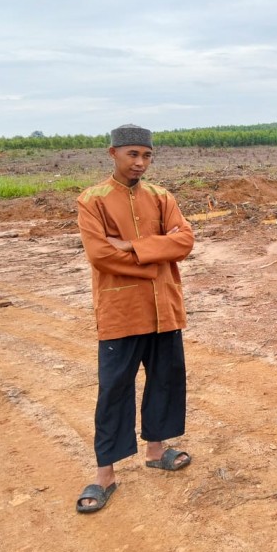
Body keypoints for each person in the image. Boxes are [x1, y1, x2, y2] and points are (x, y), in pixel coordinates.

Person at [75, 123, 195, 514]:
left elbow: (186, 240)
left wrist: (133, 246)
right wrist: (156, 259)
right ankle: (105, 473)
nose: (140, 162)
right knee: (114, 389)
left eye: (146, 155)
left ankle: (156, 451)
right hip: (120, 311)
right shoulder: (92, 201)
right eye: (133, 154)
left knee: (165, 379)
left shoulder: (161, 197)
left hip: (164, 308)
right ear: (113, 153)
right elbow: (100, 255)